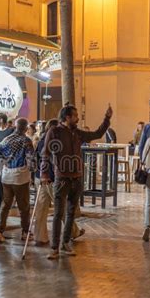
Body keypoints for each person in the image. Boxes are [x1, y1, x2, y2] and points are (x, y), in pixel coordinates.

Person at [42, 103, 113, 259]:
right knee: (58, 213)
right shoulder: (54, 131)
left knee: (70, 213)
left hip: (77, 178)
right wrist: (44, 174)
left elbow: (97, 134)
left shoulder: (77, 133)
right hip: (62, 178)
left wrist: (107, 118)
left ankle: (66, 243)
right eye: (75, 116)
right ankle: (54, 248)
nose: (78, 118)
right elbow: (45, 153)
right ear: (67, 117)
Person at [34, 119, 85, 245]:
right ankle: (74, 231)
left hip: (40, 178)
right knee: (60, 209)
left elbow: (36, 159)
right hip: (51, 178)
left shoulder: (41, 140)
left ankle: (40, 236)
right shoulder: (55, 141)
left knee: (41, 208)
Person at [0, 118, 35, 243]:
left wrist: (4, 166)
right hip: (20, 177)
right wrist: (32, 173)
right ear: (25, 128)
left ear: (15, 127)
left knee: (5, 205)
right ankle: (25, 232)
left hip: (6, 177)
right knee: (24, 207)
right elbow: (30, 159)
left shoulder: (5, 140)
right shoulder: (26, 141)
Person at [0, 113, 14, 213]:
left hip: (6, 162)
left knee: (5, 184)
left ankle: (6, 206)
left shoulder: (11, 131)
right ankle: (1, 204)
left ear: (1, 120)